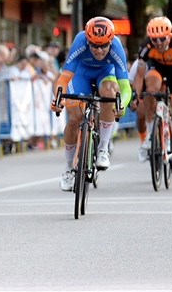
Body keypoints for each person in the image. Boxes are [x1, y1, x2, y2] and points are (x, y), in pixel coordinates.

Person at [50, 16, 131, 191]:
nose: (99, 50)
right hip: (81, 75)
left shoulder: (117, 46)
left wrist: (121, 104)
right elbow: (65, 77)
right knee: (74, 118)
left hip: (105, 74)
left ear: (110, 41)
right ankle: (69, 168)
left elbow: (125, 86)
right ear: (88, 40)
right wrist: (58, 99)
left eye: (103, 45)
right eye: (94, 45)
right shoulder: (80, 40)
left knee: (110, 92)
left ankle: (103, 148)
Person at [131, 16, 172, 162]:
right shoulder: (146, 47)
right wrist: (135, 95)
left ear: (169, 36)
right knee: (151, 90)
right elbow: (139, 75)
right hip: (157, 69)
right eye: (154, 39)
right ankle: (151, 135)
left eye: (162, 39)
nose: (158, 42)